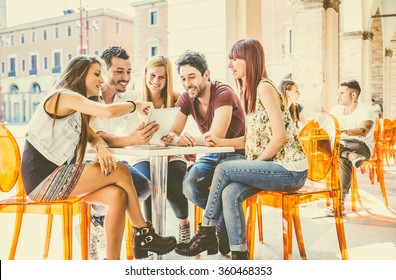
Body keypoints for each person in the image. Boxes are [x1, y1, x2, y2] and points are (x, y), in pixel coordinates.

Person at [20, 55, 176, 260]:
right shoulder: (63, 96)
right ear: (79, 74)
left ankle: (112, 262)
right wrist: (136, 104)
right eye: (96, 74)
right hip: (43, 179)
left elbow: (93, 135)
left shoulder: (75, 109)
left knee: (117, 196)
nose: (102, 80)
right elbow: (108, 112)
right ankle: (143, 233)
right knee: (119, 170)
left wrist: (101, 146)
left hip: (58, 175)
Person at [174, 38, 308, 260]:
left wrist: (252, 165)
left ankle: (205, 231)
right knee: (229, 192)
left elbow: (280, 137)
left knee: (224, 170)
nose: (230, 65)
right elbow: (251, 141)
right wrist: (222, 143)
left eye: (235, 59)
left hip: (290, 170)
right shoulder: (252, 90)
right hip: (274, 166)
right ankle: (239, 254)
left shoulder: (264, 87)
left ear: (251, 60)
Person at [163, 50, 246, 256]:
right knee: (189, 184)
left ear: (206, 74)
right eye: (183, 78)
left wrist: (189, 141)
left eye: (192, 77)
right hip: (212, 155)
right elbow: (173, 132)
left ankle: (212, 233)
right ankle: (220, 229)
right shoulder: (186, 98)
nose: (187, 83)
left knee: (225, 192)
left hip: (235, 153)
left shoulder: (223, 93)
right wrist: (178, 139)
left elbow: (215, 137)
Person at [89, 46, 159, 259]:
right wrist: (130, 139)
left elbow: (129, 133)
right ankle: (99, 224)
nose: (125, 77)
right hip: (88, 160)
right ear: (104, 70)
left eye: (129, 72)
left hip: (110, 160)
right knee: (121, 191)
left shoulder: (127, 97)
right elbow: (99, 135)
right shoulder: (92, 95)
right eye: (119, 71)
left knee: (142, 186)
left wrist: (146, 131)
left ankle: (98, 220)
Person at [131, 55, 190, 243]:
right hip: (144, 155)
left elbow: (178, 131)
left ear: (168, 78)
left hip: (171, 154)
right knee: (146, 183)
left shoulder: (177, 98)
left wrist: (173, 137)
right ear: (145, 75)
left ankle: (184, 223)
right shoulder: (134, 99)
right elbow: (128, 133)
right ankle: (151, 235)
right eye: (153, 75)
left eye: (162, 77)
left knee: (172, 185)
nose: (156, 81)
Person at [330, 80, 375, 211]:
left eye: (342, 93)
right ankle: (349, 155)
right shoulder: (336, 110)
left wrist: (342, 131)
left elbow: (363, 131)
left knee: (339, 154)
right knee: (334, 151)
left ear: (353, 95)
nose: (339, 96)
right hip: (341, 146)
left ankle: (339, 202)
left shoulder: (366, 110)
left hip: (361, 147)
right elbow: (327, 126)